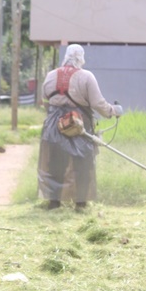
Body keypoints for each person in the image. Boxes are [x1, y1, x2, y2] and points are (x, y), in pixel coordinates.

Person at [38, 44, 123, 211]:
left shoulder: (50, 76)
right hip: (79, 126)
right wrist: (113, 111)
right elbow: (98, 103)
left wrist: (58, 114)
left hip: (55, 127)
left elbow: (45, 102)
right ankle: (81, 204)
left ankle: (54, 203)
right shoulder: (86, 76)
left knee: (55, 165)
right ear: (80, 58)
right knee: (82, 165)